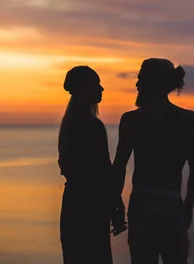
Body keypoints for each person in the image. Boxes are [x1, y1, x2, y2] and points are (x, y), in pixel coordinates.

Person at [112, 58, 194, 264]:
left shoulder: (131, 120)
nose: (136, 85)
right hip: (172, 205)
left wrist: (116, 202)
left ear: (152, 83)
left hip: (142, 206)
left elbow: (119, 166)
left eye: (141, 79)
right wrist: (187, 207)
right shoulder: (187, 119)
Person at [58, 65, 126, 264]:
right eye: (97, 84)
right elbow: (103, 171)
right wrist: (116, 203)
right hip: (92, 207)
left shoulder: (68, 125)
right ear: (85, 88)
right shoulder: (92, 126)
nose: (102, 89)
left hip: (73, 204)